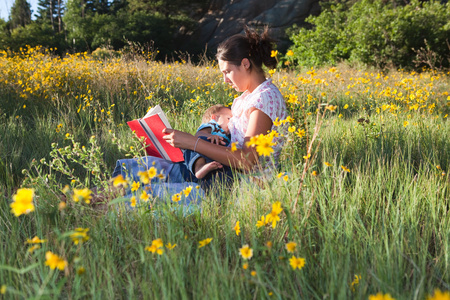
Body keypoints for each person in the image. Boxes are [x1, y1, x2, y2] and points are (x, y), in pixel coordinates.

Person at [162, 25, 287, 181]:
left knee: (158, 185)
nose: (225, 80)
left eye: (227, 72)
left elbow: (247, 161)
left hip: (244, 182)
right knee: (154, 166)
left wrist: (193, 143)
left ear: (245, 64)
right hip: (226, 170)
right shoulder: (248, 97)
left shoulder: (264, 99)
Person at [183, 104, 233, 179]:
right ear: (214, 118)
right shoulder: (213, 125)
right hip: (204, 152)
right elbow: (199, 134)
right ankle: (199, 168)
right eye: (229, 118)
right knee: (198, 141)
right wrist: (211, 136)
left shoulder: (229, 135)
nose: (231, 122)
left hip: (217, 156)